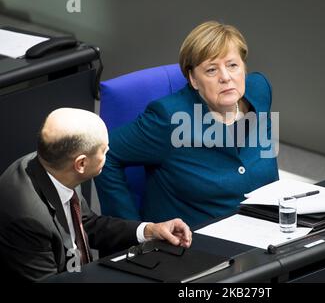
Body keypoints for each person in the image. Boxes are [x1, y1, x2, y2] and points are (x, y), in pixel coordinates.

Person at [95, 21, 279, 228]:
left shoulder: (259, 92)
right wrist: (133, 231)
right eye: (211, 70)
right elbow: (104, 152)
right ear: (193, 78)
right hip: (198, 246)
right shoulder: (169, 118)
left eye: (232, 65)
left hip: (265, 230)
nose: (226, 77)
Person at [0, 108, 192, 282]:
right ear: (81, 164)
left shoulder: (57, 165)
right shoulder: (28, 217)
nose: (109, 153)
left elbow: (86, 224)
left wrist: (150, 230)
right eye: (104, 150)